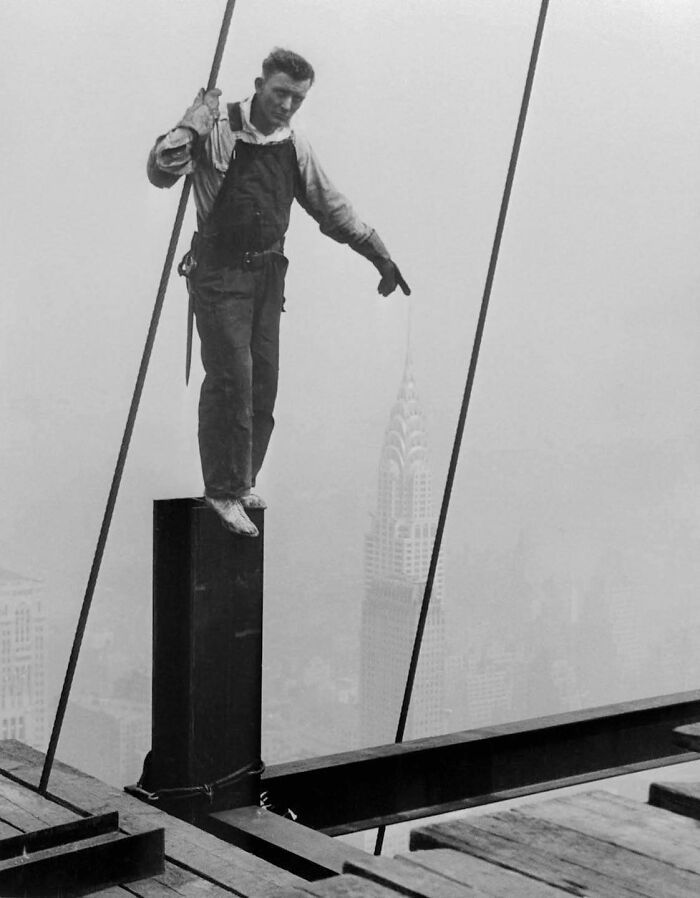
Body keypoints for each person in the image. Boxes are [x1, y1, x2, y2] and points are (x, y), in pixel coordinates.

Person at [148, 48, 409, 537]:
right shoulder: (220, 129)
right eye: (280, 93)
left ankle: (241, 481)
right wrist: (190, 126)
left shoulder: (295, 147)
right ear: (259, 84)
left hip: (268, 278)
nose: (287, 105)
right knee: (233, 381)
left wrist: (379, 254)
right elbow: (161, 171)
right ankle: (222, 489)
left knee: (263, 385)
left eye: (297, 98)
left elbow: (332, 209)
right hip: (220, 275)